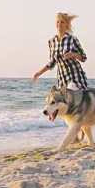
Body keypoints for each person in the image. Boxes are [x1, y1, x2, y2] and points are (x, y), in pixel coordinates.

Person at [33, 12, 88, 141]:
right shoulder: (51, 42)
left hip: (75, 76)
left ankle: (78, 133)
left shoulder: (72, 39)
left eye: (62, 22)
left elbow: (83, 57)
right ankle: (77, 133)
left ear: (67, 24)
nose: (59, 24)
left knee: (75, 105)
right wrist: (39, 73)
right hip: (62, 78)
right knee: (65, 107)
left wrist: (73, 55)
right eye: (57, 22)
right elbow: (52, 62)